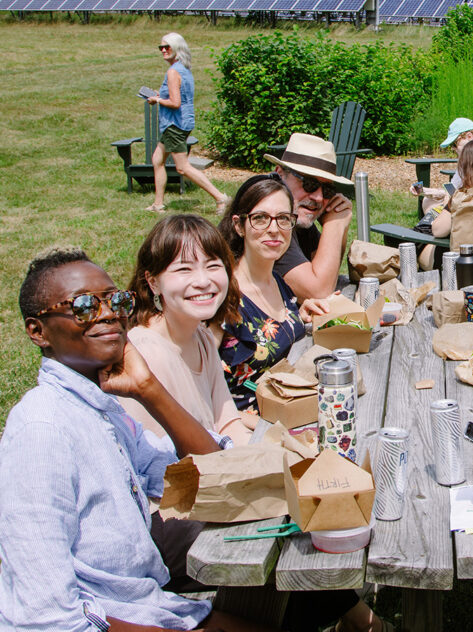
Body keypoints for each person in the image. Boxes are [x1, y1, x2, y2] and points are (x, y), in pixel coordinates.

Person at [0, 247, 244, 631]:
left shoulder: (103, 410)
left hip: (148, 601)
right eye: (83, 306)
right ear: (37, 331)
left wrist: (149, 389)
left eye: (116, 300)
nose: (110, 313)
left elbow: (208, 475)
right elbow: (48, 616)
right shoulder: (42, 430)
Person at [119, 214, 253, 447]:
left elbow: (227, 422)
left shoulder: (200, 335)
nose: (202, 281)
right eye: (184, 270)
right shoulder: (145, 355)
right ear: (153, 282)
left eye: (212, 266)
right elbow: (161, 463)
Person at [218, 174, 332, 411]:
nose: (274, 229)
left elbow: (268, 330)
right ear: (239, 225)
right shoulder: (223, 300)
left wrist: (297, 316)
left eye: (283, 218)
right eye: (260, 219)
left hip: (293, 408)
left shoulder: (277, 281)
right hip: (250, 427)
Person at [264, 133, 354, 301]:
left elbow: (326, 271)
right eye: (309, 184)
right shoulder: (270, 220)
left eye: (327, 190)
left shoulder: (295, 212)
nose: (319, 198)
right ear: (280, 174)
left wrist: (339, 223)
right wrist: (335, 224)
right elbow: (318, 292)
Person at [146, 33, 229, 214]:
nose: (163, 50)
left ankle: (220, 198)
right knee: (157, 160)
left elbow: (175, 103)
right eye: (160, 47)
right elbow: (179, 99)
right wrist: (162, 97)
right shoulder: (183, 69)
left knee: (182, 167)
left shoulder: (173, 72)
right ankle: (158, 204)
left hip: (174, 125)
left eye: (167, 47)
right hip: (180, 123)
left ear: (177, 48)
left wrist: (157, 100)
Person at [417, 138, 473, 270]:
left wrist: (448, 204)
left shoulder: (463, 197)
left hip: (458, 260)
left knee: (410, 244)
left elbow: (438, 231)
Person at [410, 117, 473, 211]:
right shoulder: (466, 159)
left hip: (472, 211)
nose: (453, 148)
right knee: (428, 200)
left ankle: (435, 223)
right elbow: (451, 190)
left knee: (432, 204)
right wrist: (425, 191)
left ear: (469, 137)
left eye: (454, 144)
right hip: (467, 204)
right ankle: (433, 221)